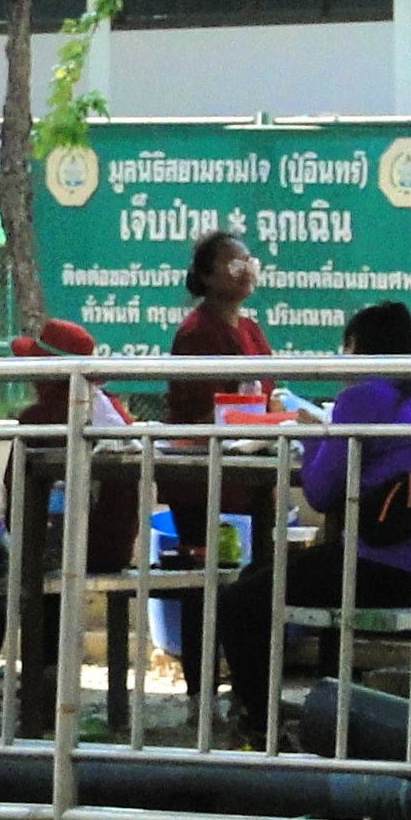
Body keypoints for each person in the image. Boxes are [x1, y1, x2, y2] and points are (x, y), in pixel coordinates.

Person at [217, 301, 411, 749]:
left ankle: (259, 726)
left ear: (360, 348)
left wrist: (315, 436)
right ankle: (291, 712)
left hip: (389, 568)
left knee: (240, 600)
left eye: (346, 347)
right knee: (260, 575)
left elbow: (320, 493)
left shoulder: (363, 398)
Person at [163, 230, 277, 704]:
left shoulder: (251, 329)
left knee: (255, 580)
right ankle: (200, 690)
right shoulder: (196, 333)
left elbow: (265, 392)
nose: (244, 271)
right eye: (232, 264)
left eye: (248, 261)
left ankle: (253, 689)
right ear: (207, 277)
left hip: (251, 471)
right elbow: (197, 408)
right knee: (203, 584)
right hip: (201, 477)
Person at [10, 318, 140, 574]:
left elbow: (15, 497)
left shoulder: (38, 418)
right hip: (115, 553)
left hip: (52, 551)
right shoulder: (114, 411)